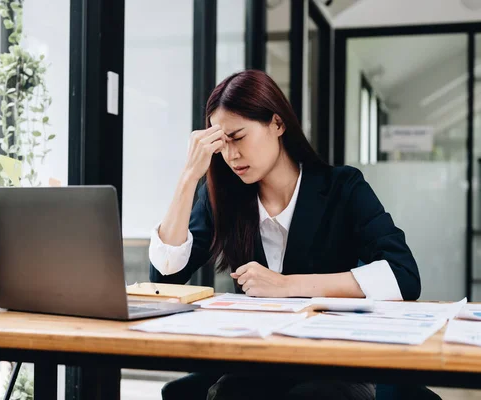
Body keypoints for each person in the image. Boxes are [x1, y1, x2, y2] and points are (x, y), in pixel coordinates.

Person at [148, 69, 421, 400]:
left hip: (332, 359)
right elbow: (166, 276)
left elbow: (403, 275)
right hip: (256, 360)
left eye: (238, 137)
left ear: (277, 124)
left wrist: (289, 286)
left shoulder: (342, 187)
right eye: (222, 144)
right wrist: (189, 177)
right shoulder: (224, 195)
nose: (231, 155)